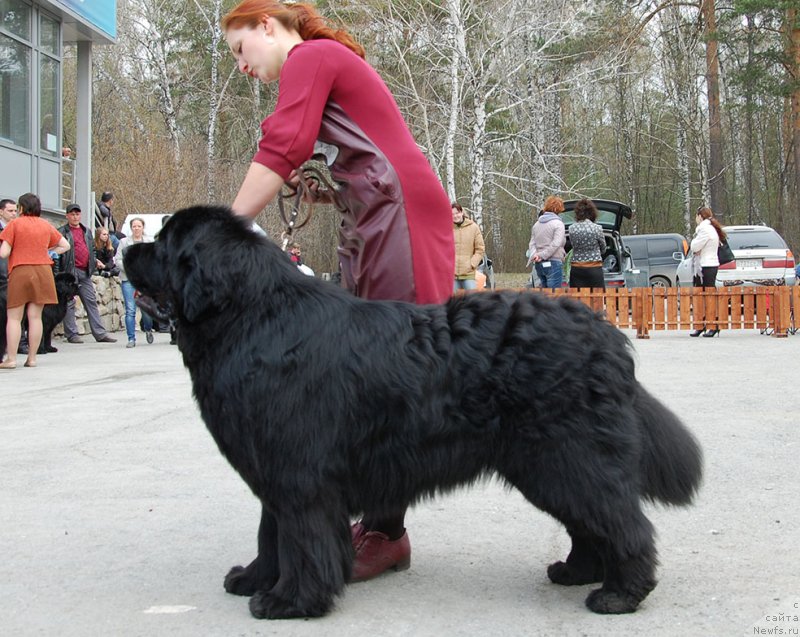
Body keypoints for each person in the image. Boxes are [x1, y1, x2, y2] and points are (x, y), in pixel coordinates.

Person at [221, 0, 453, 581]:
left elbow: (282, 144)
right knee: (368, 368)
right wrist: (322, 185)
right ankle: (378, 520)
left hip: (397, 213)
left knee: (394, 369)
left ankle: (385, 530)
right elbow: (346, 153)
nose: (240, 66)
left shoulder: (312, 55)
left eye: (239, 48)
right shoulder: (326, 61)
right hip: (378, 213)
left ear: (267, 26)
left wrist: (223, 228)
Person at [0, 193, 71, 368]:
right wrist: (49, 252)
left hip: (21, 270)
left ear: (22, 208)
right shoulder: (45, 225)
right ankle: (32, 359)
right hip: (43, 272)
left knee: (15, 318)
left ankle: (11, 359)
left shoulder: (15, 224)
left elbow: (3, 253)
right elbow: (66, 245)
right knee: (35, 317)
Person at [57, 204, 117, 344]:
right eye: (72, 214)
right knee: (69, 303)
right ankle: (72, 334)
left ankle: (100, 334)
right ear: (67, 216)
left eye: (77, 214)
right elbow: (58, 254)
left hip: (85, 271)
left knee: (91, 302)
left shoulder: (87, 231)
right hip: (70, 272)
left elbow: (92, 250)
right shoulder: (62, 232)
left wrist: (93, 261)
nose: (75, 216)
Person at [115, 217, 154, 348]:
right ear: (131, 228)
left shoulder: (149, 241)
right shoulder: (124, 242)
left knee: (146, 310)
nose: (136, 228)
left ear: (143, 228)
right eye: (134, 226)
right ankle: (131, 338)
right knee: (130, 309)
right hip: (128, 279)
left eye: (139, 226)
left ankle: (148, 328)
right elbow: (117, 259)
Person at [689, 206, 725, 338]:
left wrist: (695, 245)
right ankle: (702, 324)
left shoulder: (704, 229)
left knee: (706, 296)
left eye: (696, 216)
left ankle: (712, 325)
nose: (695, 219)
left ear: (700, 216)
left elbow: (694, 247)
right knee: (703, 296)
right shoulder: (710, 228)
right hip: (707, 265)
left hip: (705, 266)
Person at [526, 195, 566, 290]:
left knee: (544, 294)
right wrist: (542, 255)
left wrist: (536, 255)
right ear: (558, 209)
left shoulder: (537, 224)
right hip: (554, 262)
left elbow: (532, 244)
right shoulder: (558, 224)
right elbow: (556, 244)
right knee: (554, 295)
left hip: (539, 264)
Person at [567, 198, 606, 289]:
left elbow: (573, 245)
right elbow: (603, 248)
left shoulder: (571, 228)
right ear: (592, 213)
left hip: (577, 268)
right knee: (597, 298)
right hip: (594, 268)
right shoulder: (597, 228)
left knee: (578, 298)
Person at [452, 202, 485, 292]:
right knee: (449, 301)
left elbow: (480, 249)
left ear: (462, 212)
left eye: (457, 213)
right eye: (452, 214)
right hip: (451, 274)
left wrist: (472, 264)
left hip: (468, 273)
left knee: (473, 300)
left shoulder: (473, 227)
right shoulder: (447, 228)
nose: (455, 216)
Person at [0, 198, 18, 286]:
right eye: (10, 211)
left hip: (14, 275)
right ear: (1, 212)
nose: (14, 214)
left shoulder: (19, 230)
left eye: (15, 211)